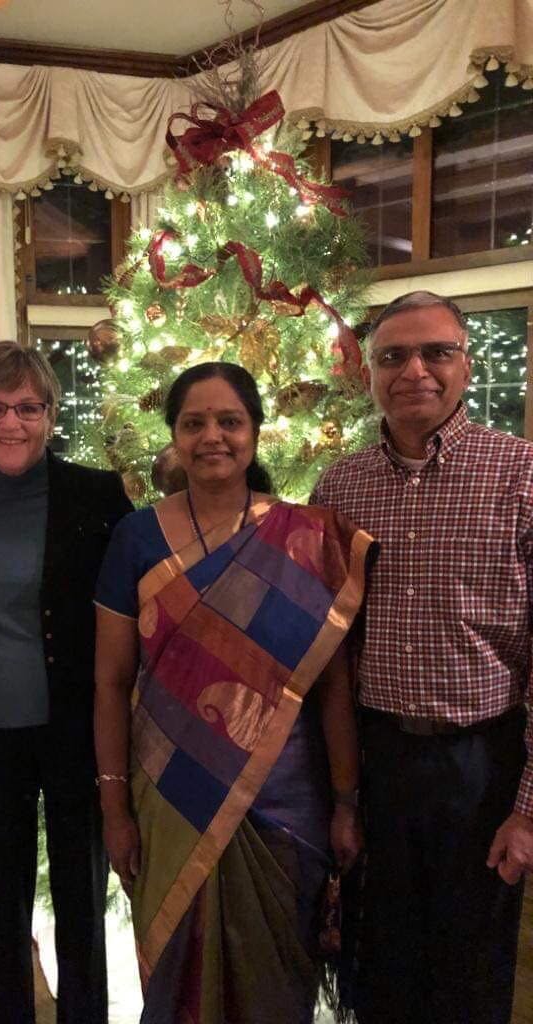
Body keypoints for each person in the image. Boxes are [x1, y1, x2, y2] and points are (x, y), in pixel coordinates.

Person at [94, 361, 375, 1023]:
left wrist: (345, 803)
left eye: (230, 421)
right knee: (179, 982)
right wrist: (114, 811)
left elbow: (333, 689)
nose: (212, 437)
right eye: (194, 423)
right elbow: (110, 681)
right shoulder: (136, 538)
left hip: (285, 801)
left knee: (276, 982)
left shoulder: (305, 538)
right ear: (174, 435)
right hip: (171, 794)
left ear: (255, 430)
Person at [311, 290, 533, 1024]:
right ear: (369, 373)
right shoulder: (339, 486)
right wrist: (341, 796)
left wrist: (528, 811)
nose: (414, 371)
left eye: (436, 352)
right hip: (378, 760)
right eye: (393, 356)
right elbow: (325, 646)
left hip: (483, 764)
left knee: (471, 972)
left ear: (467, 365)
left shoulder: (521, 476)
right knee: (383, 965)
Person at [0, 341, 133, 1024]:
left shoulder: (99, 496)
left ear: (50, 414)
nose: (11, 422)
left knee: (81, 900)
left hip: (78, 733)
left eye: (28, 408)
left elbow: (136, 610)